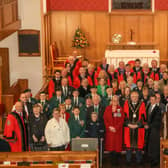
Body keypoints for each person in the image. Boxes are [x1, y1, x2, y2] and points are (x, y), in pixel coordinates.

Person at [123, 91, 146, 165]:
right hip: (128, 127)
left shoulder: (142, 104)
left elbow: (143, 116)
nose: (134, 98)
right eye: (133, 96)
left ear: (138, 97)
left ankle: (139, 161)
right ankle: (128, 160)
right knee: (129, 145)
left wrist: (137, 125)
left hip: (138, 129)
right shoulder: (126, 104)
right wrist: (128, 124)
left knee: (139, 145)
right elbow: (124, 115)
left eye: (136, 96)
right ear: (130, 97)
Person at [103, 95, 124, 165]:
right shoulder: (107, 109)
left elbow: (121, 120)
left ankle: (117, 163)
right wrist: (109, 127)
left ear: (118, 101)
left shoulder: (120, 109)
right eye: (113, 100)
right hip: (110, 131)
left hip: (117, 131)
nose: (115, 102)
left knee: (117, 148)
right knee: (111, 147)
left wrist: (116, 128)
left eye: (116, 100)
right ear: (111, 101)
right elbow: (105, 119)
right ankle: (111, 162)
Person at [145, 95, 161, 167]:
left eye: (153, 99)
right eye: (151, 99)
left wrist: (149, 126)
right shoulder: (148, 106)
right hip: (149, 129)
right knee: (150, 145)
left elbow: (157, 120)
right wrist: (145, 124)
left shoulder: (158, 108)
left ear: (156, 100)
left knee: (155, 145)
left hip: (155, 129)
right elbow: (146, 117)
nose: (152, 101)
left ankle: (155, 161)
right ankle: (151, 158)